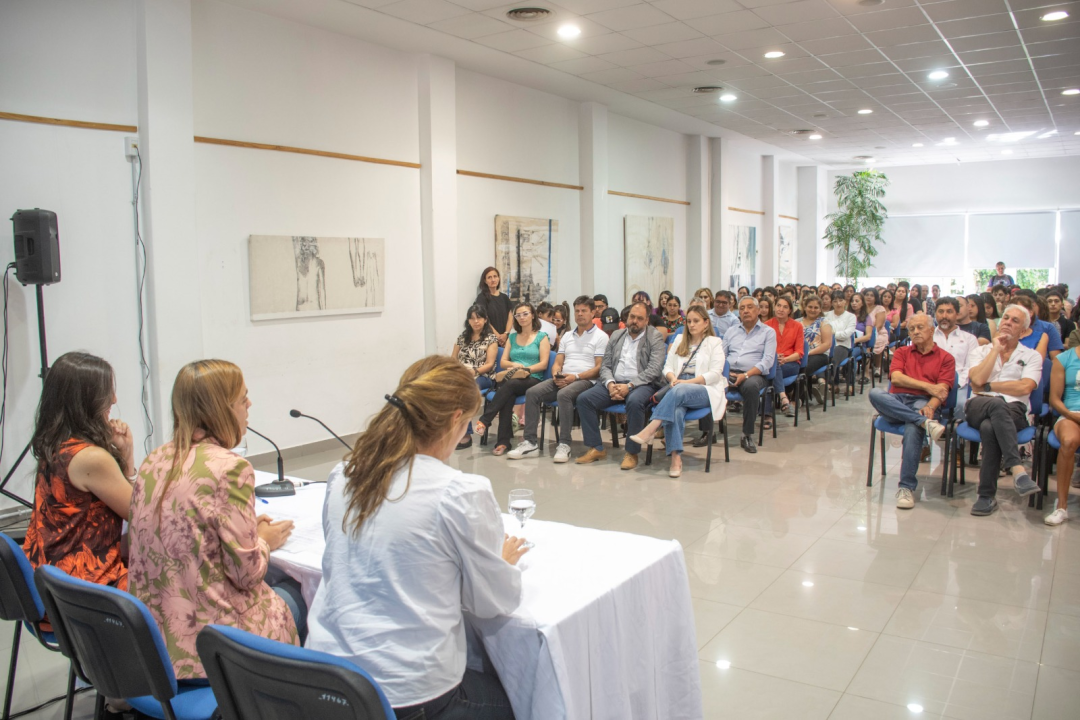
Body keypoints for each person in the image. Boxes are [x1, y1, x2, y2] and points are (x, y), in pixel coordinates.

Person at [306, 356, 525, 718]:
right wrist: (501, 564)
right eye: (467, 425)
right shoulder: (458, 491)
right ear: (456, 419)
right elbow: (491, 603)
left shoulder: (344, 473)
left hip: (328, 680)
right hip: (408, 692)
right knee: (529, 696)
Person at [128, 360, 301, 679]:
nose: (250, 405)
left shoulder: (154, 460)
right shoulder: (230, 468)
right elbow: (246, 574)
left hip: (154, 643)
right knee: (298, 595)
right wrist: (264, 541)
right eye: (242, 399)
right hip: (211, 647)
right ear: (222, 409)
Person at [23, 352, 134, 592]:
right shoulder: (91, 458)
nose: (114, 399)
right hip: (87, 589)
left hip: (52, 583)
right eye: (107, 392)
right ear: (86, 400)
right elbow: (139, 513)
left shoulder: (56, 447)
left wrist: (124, 452)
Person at [964, 305, 1044, 516]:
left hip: (1014, 410)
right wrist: (995, 350)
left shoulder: (1032, 356)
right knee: (997, 404)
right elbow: (977, 380)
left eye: (1015, 321)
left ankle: (985, 496)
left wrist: (989, 387)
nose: (1007, 322)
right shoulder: (980, 351)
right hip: (978, 405)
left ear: (1023, 330)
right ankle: (1016, 468)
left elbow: (1024, 387)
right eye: (1006, 318)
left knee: (990, 426)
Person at [509, 296, 609, 463]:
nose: (580, 314)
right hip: (564, 378)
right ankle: (530, 442)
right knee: (532, 393)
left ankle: (564, 444)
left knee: (564, 395)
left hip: (586, 380)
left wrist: (575, 377)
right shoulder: (568, 336)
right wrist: (556, 374)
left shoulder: (601, 336)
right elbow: (558, 362)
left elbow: (599, 368)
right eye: (577, 311)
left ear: (593, 313)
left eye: (584, 311)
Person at [868, 314, 953, 509]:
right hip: (897, 400)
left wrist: (930, 407)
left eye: (920, 328)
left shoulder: (946, 358)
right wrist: (928, 386)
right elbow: (897, 378)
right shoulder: (902, 352)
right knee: (875, 393)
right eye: (912, 329)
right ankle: (924, 422)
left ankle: (906, 487)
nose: (915, 332)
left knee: (913, 427)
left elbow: (941, 391)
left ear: (931, 330)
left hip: (923, 402)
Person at [629, 307, 726, 477]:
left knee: (679, 390)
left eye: (696, 321)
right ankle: (676, 458)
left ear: (706, 323)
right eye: (689, 321)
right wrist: (672, 378)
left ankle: (652, 427)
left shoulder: (714, 342)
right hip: (678, 388)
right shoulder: (680, 339)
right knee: (676, 410)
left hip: (704, 389)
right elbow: (667, 367)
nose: (691, 324)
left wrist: (685, 383)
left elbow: (715, 374)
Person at [575, 302, 665, 470]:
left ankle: (632, 452)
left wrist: (629, 386)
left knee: (634, 402)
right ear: (627, 318)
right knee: (584, 399)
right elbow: (605, 365)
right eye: (632, 317)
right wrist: (610, 384)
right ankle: (596, 448)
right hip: (615, 383)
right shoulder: (617, 335)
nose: (634, 321)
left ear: (647, 320)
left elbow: (654, 369)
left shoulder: (654, 337)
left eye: (639, 318)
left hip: (642, 384)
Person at [475, 303, 551, 455]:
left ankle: (485, 420)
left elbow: (543, 364)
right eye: (518, 315)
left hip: (533, 378)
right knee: (508, 393)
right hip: (513, 378)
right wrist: (514, 365)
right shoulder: (512, 337)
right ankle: (503, 442)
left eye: (525, 314)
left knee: (508, 386)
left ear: (533, 315)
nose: (522, 317)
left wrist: (526, 369)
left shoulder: (541, 337)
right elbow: (503, 362)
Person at [723, 297, 777, 454]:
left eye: (750, 307)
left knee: (751, 387)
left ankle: (746, 434)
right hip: (729, 372)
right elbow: (721, 355)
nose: (745, 311)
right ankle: (707, 433)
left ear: (758, 310)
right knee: (708, 383)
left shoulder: (768, 332)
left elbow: (767, 361)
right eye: (742, 308)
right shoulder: (731, 331)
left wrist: (746, 375)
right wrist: (726, 372)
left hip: (754, 374)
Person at [452, 305, 499, 450]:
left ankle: (465, 434)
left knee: (464, 393)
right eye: (472, 318)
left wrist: (473, 372)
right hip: (462, 375)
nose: (476, 321)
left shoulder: (491, 339)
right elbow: (453, 358)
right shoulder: (462, 337)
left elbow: (489, 364)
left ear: (485, 319)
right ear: (468, 321)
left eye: (479, 318)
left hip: (483, 375)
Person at [1044, 340, 1080, 525]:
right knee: (1068, 441)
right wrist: (1071, 415)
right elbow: (1055, 399)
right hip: (1070, 413)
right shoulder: (1064, 359)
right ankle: (1062, 507)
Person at [933, 298, 979, 397]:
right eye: (940, 312)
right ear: (935, 314)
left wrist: (956, 384)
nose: (944, 316)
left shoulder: (969, 339)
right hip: (930, 386)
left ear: (957, 314)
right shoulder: (928, 337)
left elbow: (970, 366)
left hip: (960, 387)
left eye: (949, 312)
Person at [766, 296, 804, 417]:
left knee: (768, 375)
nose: (781, 309)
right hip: (772, 362)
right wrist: (775, 358)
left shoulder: (797, 326)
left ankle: (767, 415)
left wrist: (785, 359)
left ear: (790, 310)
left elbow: (799, 352)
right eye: (778, 305)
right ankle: (784, 400)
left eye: (785, 307)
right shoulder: (766, 326)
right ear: (774, 307)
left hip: (791, 363)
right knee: (771, 372)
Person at [799, 295, 834, 405]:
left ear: (820, 309)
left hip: (820, 355)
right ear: (805, 307)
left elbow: (827, 344)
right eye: (810, 307)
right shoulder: (797, 322)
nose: (813, 310)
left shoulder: (824, 322)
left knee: (802, 368)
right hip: (800, 354)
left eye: (816, 307)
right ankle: (798, 394)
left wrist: (808, 353)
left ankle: (798, 397)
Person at [824, 291, 857, 396]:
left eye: (841, 300)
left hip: (844, 346)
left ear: (845, 302)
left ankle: (829, 384)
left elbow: (846, 334)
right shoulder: (826, 315)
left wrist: (832, 333)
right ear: (831, 303)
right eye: (835, 301)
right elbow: (823, 332)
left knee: (833, 357)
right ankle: (827, 382)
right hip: (828, 345)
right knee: (823, 357)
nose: (838, 303)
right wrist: (832, 334)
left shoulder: (851, 316)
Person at [1013, 294, 1062, 361]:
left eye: (1019, 310)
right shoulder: (1005, 329)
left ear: (1031, 311)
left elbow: (1056, 359)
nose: (1014, 313)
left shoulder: (1047, 328)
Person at [473, 267, 513, 346]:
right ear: (485, 281)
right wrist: (498, 336)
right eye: (489, 277)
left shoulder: (504, 297)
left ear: (499, 278)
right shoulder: (482, 298)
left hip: (505, 339)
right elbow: (484, 319)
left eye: (495, 276)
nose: (493, 280)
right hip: (489, 339)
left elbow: (510, 316)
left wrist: (506, 334)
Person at [862, 288, 887, 382]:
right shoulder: (861, 308)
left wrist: (868, 334)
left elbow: (878, 326)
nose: (869, 297)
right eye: (867, 295)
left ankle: (873, 369)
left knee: (870, 343)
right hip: (861, 333)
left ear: (876, 297)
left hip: (877, 332)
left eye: (872, 295)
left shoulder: (880, 308)